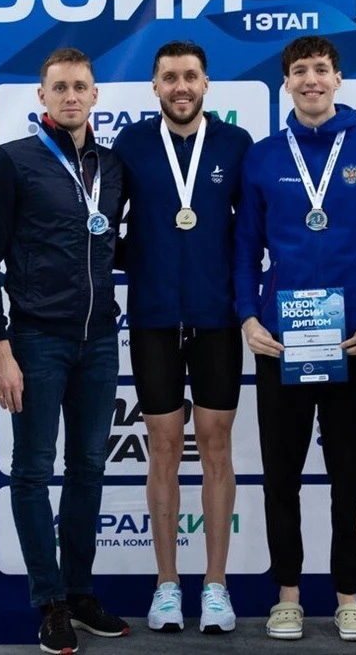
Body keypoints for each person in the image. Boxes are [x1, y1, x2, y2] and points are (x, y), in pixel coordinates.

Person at [233, 35, 356, 642]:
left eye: (321, 69)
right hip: (281, 343)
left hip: (355, 341)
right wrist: (248, 318)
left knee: (352, 477)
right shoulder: (262, 157)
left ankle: (349, 597)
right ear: (286, 83)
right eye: (300, 70)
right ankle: (287, 595)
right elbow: (244, 248)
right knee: (280, 476)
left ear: (338, 79)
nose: (311, 79)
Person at [0, 48, 128, 654]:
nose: (70, 96)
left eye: (80, 86)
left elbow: (112, 245)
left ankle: (81, 593)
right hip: (35, 339)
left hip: (100, 339)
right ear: (42, 96)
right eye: (59, 87)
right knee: (33, 470)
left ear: (95, 95)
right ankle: (50, 601)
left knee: (88, 468)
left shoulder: (111, 167)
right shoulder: (12, 162)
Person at [111, 40, 253, 634]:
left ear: (206, 82)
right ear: (154, 85)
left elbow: (255, 231)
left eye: (190, 76)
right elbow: (102, 225)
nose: (181, 87)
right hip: (153, 318)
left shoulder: (235, 144)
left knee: (217, 447)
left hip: (217, 317)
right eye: (169, 77)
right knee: (164, 449)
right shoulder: (131, 145)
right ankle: (167, 585)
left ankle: (215, 585)